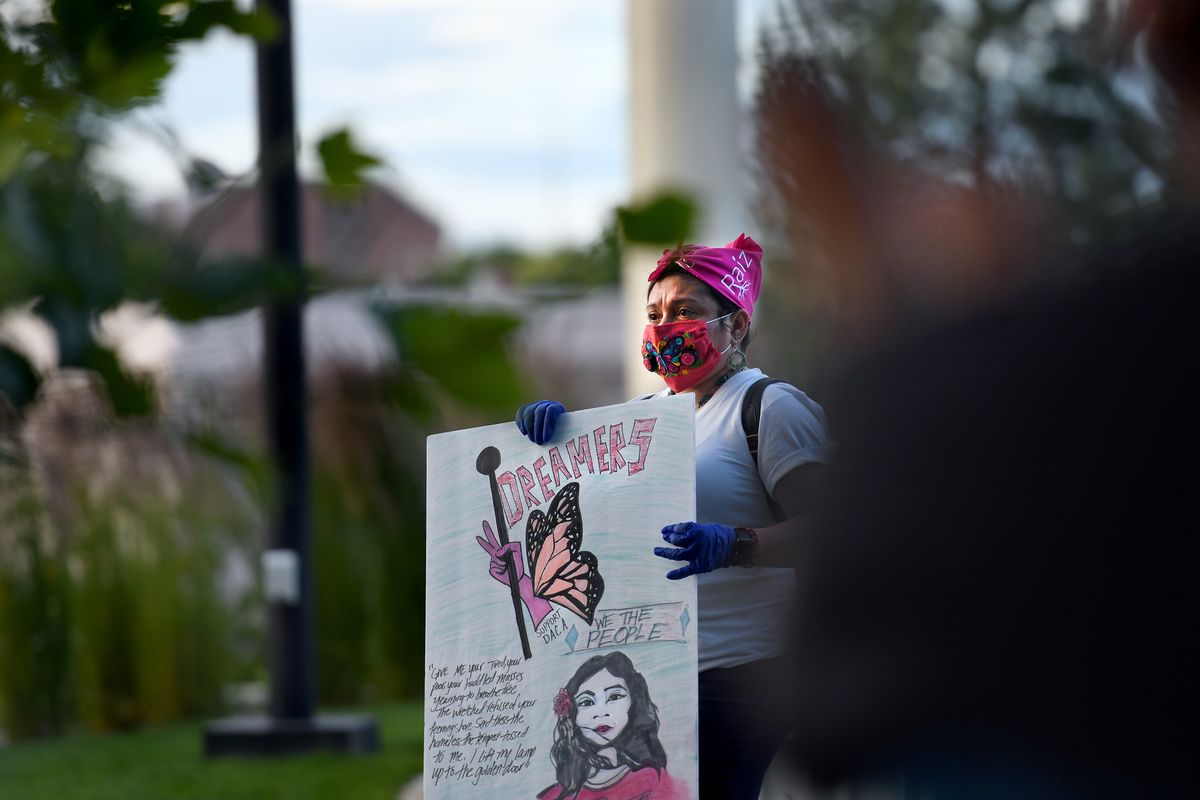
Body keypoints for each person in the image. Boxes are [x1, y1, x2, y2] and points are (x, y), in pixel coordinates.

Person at [517, 234, 831, 800]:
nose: (666, 326)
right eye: (655, 313)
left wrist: (735, 543)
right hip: (650, 678)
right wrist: (550, 444)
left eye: (687, 311)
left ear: (734, 326)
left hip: (743, 674)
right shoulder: (643, 419)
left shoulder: (769, 407)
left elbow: (837, 529)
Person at [538, 651, 684, 800]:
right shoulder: (557, 795)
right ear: (572, 714)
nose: (601, 713)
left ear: (633, 702)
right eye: (587, 702)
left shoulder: (651, 780)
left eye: (614, 697)